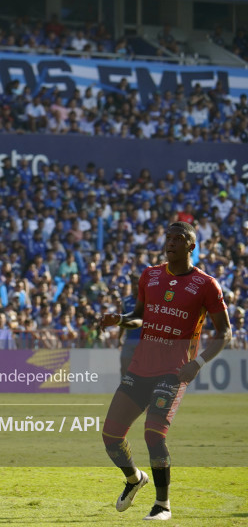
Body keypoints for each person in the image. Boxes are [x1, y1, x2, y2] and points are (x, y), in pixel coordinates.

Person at [98, 221, 231, 521]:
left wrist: (197, 363)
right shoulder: (150, 275)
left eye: (178, 238)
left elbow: (225, 334)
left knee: (153, 434)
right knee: (110, 435)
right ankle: (134, 479)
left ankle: (163, 505)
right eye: (167, 237)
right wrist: (118, 319)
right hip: (141, 367)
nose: (170, 242)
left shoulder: (207, 285)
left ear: (191, 246)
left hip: (174, 371)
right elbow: (140, 317)